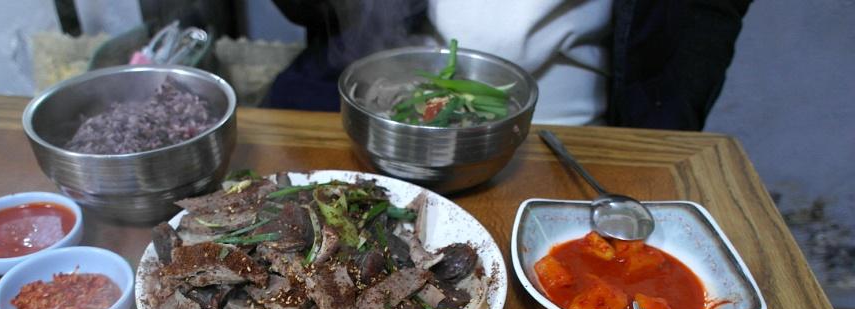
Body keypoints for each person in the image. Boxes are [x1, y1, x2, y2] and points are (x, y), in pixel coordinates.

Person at [263, 0, 752, 131]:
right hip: (383, 97)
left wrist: (665, 134)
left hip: (571, 124)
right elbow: (306, 9)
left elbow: (697, 30)